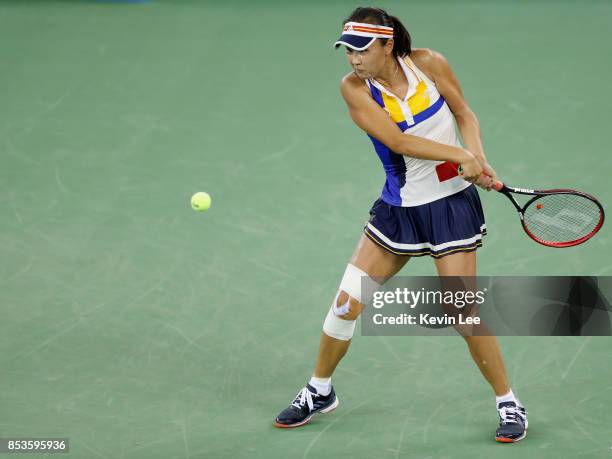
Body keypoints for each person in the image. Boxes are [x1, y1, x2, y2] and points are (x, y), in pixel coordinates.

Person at [273, 7, 528, 443]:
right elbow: (398, 141)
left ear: (387, 45)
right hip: (400, 211)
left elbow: (464, 112)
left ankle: (508, 401)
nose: (353, 59)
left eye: (362, 50)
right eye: (347, 50)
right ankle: (320, 390)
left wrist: (477, 154)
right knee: (345, 305)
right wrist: (459, 157)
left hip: (450, 208)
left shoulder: (429, 63)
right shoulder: (355, 89)